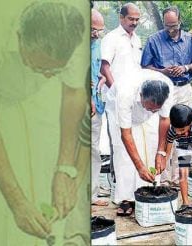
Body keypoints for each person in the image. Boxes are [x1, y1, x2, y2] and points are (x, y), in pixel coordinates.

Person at [0, 1, 88, 244]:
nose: (50, 74)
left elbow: (73, 93)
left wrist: (65, 168)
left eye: (56, 69)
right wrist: (17, 202)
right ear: (20, 38)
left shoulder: (75, 28)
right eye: (41, 66)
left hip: (38, 96)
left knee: (45, 175)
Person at [141, 6, 192, 187]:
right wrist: (163, 71)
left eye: (174, 25)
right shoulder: (154, 40)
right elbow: (145, 66)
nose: (171, 29)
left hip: (184, 88)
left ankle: (178, 177)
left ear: (180, 21)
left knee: (182, 130)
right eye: (167, 26)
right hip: (163, 90)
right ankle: (163, 177)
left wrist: (184, 68)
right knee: (164, 130)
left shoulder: (190, 39)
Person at [114, 69, 175, 216]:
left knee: (152, 146)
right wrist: (139, 166)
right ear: (141, 96)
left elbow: (164, 119)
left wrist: (161, 152)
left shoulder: (168, 88)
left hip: (147, 118)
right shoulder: (125, 93)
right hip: (119, 111)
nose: (153, 111)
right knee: (124, 156)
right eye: (150, 107)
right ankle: (126, 198)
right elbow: (126, 134)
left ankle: (150, 189)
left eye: (156, 109)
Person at [100, 2, 142, 206]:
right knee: (120, 147)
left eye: (137, 19)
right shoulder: (111, 38)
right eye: (130, 19)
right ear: (121, 18)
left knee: (135, 147)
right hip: (117, 102)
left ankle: (136, 193)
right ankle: (123, 198)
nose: (134, 23)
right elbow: (104, 67)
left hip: (134, 102)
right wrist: (117, 91)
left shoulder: (137, 39)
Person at [165, 104, 192, 209]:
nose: (181, 133)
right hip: (183, 150)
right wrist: (163, 162)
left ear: (191, 123)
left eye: (183, 129)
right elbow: (168, 150)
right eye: (178, 130)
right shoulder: (172, 130)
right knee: (183, 173)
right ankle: (185, 203)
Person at [90, 8, 108, 207]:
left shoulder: (97, 45)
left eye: (99, 30)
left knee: (93, 151)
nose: (96, 34)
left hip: (97, 106)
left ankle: (91, 195)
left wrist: (101, 78)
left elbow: (95, 70)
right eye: (93, 29)